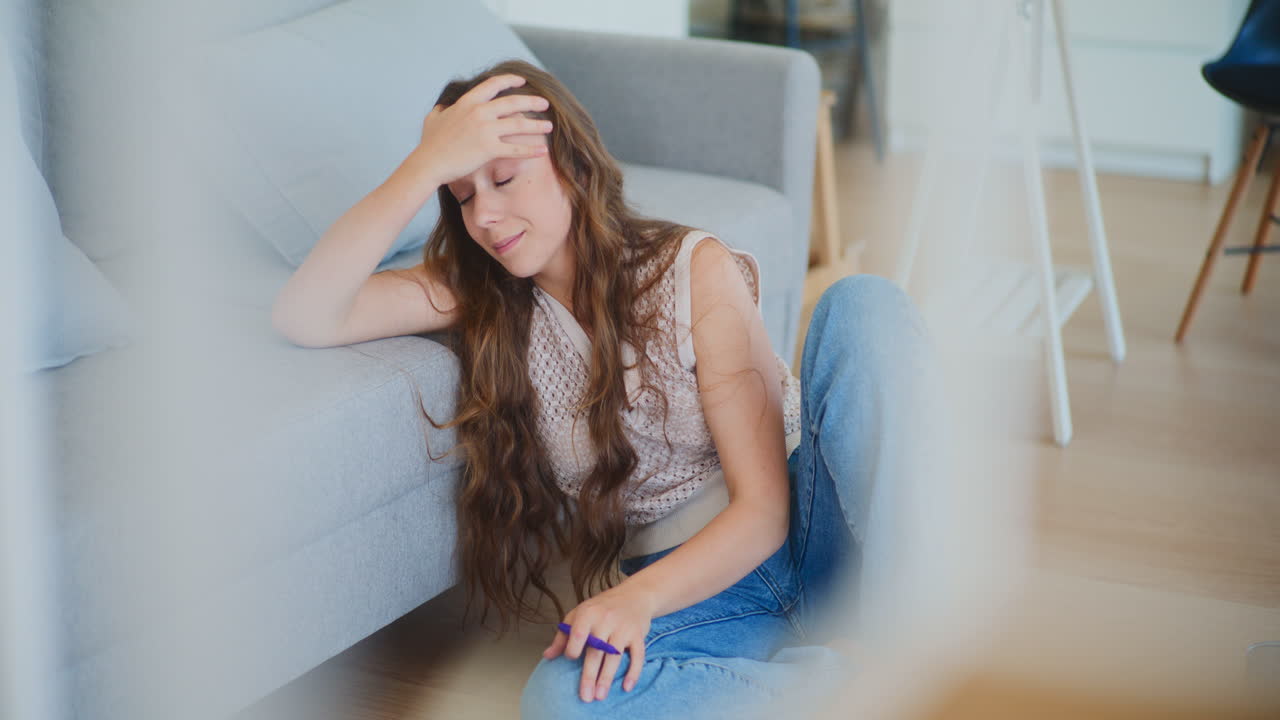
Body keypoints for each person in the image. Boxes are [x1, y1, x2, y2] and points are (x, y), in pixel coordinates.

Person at [271, 59, 937, 719]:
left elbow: (763, 511)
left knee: (863, 304)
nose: (485, 215)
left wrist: (631, 602)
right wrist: (424, 166)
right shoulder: (483, 298)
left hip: (812, 532)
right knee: (561, 699)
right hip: (698, 603)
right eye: (464, 194)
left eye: (503, 178)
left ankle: (889, 631)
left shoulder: (689, 270)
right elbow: (307, 313)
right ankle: (841, 678)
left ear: (573, 166)